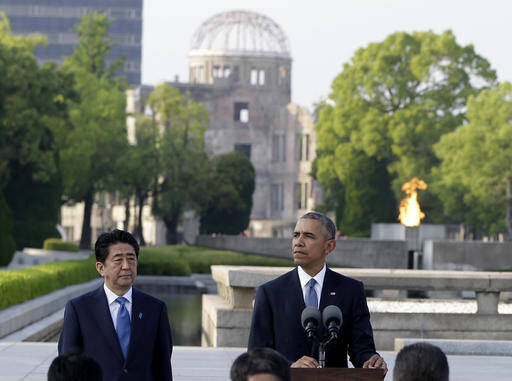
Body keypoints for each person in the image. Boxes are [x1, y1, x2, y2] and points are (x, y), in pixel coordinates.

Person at [248, 212, 387, 374]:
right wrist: (290, 367)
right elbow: (256, 356)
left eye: (308, 236)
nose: (299, 242)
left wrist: (372, 362)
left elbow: (362, 348)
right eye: (295, 235)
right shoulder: (270, 293)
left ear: (329, 246)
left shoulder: (351, 290)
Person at [58, 229, 173, 380]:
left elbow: (163, 366)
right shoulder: (79, 309)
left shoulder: (155, 309)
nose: (126, 266)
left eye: (131, 259)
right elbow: (68, 368)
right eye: (118, 260)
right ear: (101, 268)